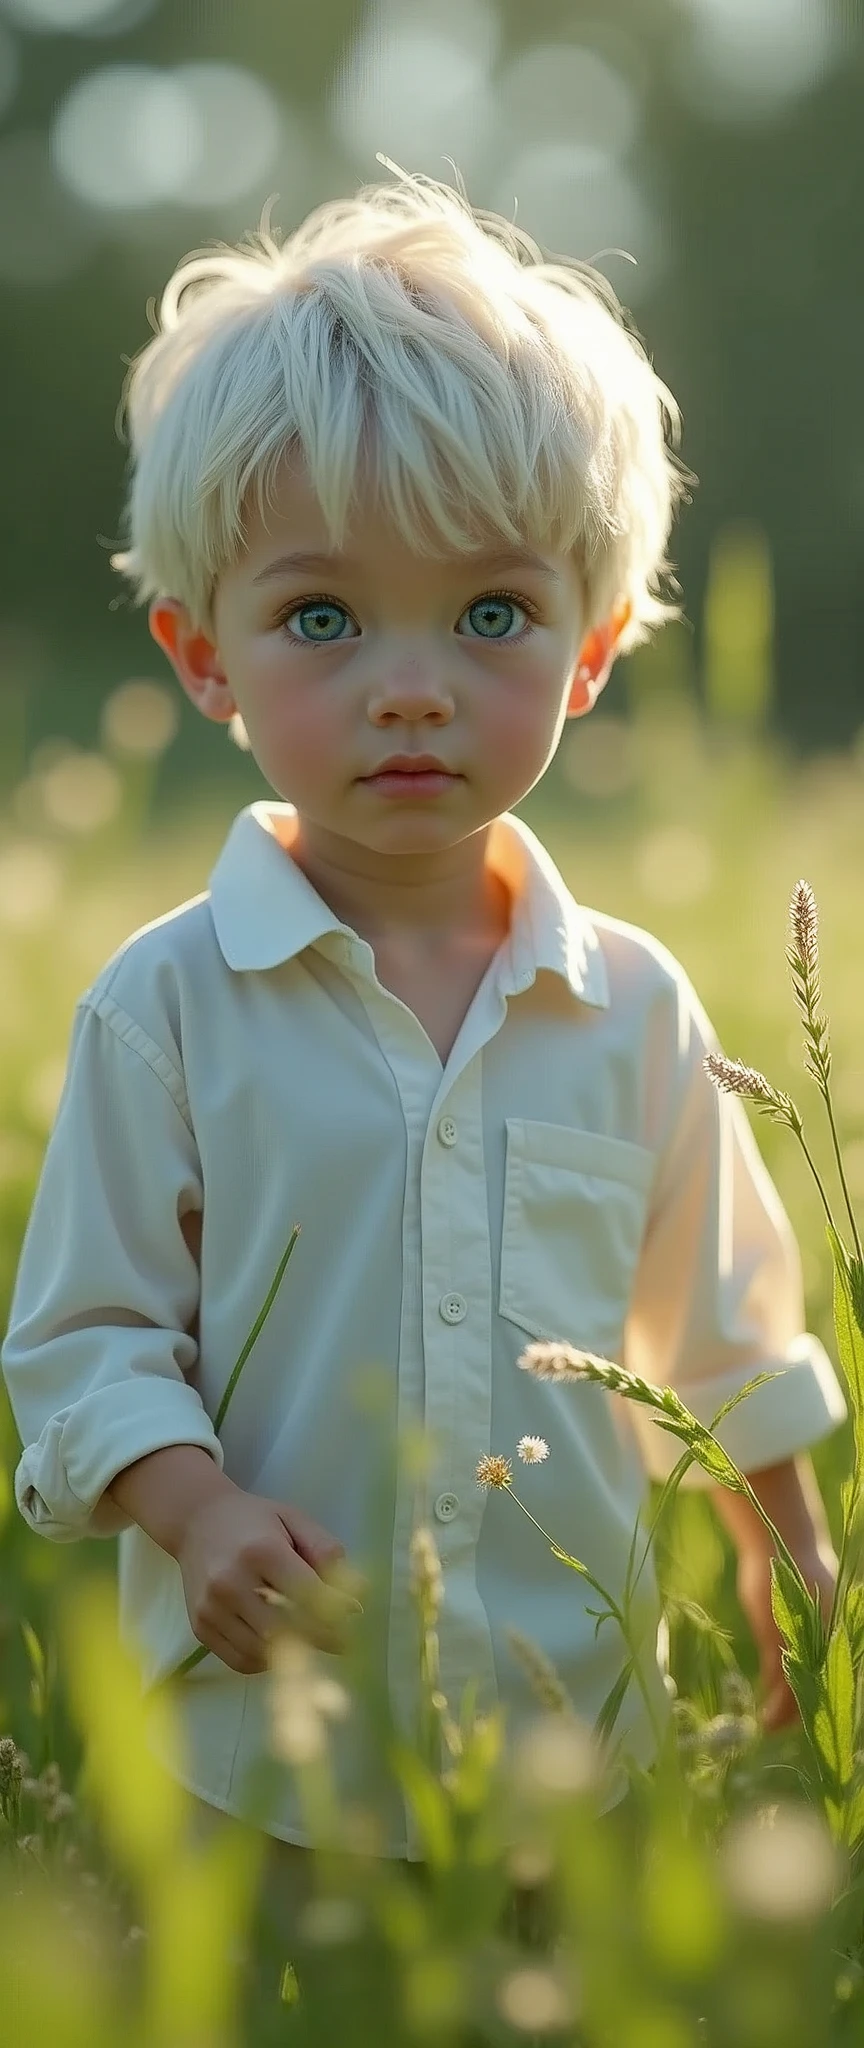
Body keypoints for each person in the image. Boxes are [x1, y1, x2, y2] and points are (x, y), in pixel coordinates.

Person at [0, 164, 844, 1931]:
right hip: (262, 1730)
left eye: (489, 617)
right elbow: (81, 1340)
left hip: (564, 1733)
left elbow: (726, 1312)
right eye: (323, 617)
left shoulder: (632, 1006)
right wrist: (192, 1506)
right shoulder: (167, 1006)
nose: (410, 685)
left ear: (594, 648)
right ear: (200, 653)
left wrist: (787, 1538)